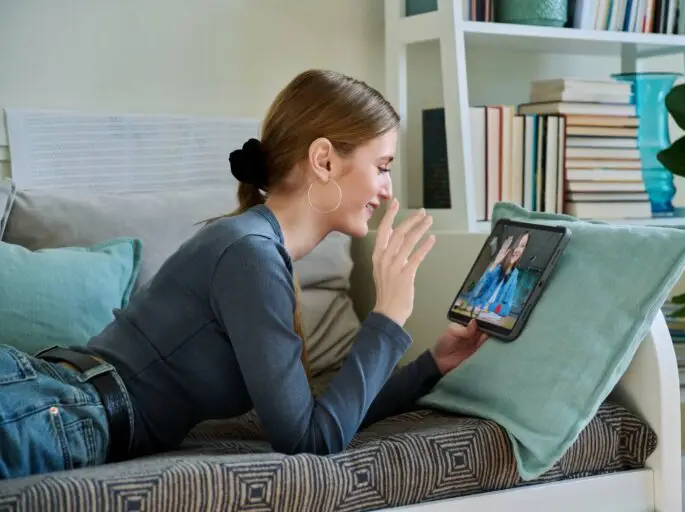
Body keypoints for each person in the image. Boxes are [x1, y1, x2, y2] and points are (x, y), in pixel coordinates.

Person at [0, 69, 488, 480]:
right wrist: (387, 315)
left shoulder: (256, 245)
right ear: (324, 160)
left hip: (53, 399)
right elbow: (308, 443)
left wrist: (430, 367)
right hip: (52, 412)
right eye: (381, 165)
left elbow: (315, 414)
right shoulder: (251, 253)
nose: (386, 188)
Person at [485, 232, 530, 317]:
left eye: (522, 246)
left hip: (491, 314)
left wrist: (491, 307)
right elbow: (479, 289)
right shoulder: (497, 266)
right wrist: (495, 263)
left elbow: (506, 309)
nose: (518, 249)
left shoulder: (515, 273)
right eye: (516, 245)